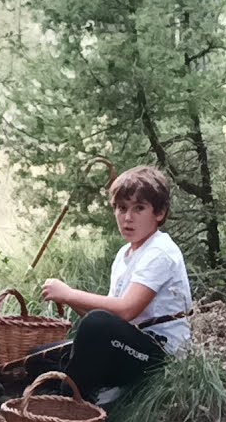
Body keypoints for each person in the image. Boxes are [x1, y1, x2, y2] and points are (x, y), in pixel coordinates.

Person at [39, 165, 192, 405]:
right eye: (122, 208)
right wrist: (68, 298)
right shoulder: (124, 254)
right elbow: (108, 317)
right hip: (128, 343)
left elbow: (126, 310)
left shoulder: (161, 251)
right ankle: (76, 394)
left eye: (139, 209)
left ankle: (71, 405)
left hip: (159, 355)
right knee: (41, 357)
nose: (128, 218)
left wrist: (70, 293)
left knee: (96, 326)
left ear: (159, 213)